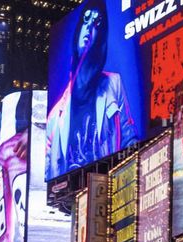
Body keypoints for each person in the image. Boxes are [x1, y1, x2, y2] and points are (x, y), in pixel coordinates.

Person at [46, 0, 137, 180]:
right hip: (76, 196)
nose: (90, 26)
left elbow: (130, 140)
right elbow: (51, 172)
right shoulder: (55, 119)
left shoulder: (113, 84)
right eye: (86, 19)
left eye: (97, 23)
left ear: (100, 36)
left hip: (111, 183)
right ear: (78, 28)